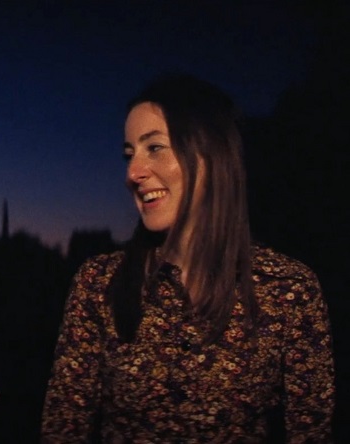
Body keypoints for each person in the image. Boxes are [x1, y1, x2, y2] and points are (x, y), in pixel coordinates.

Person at [41, 74, 335, 442]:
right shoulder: (99, 283)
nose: (133, 172)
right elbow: (63, 428)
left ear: (212, 156)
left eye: (155, 147)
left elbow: (312, 432)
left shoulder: (288, 289)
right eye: (129, 154)